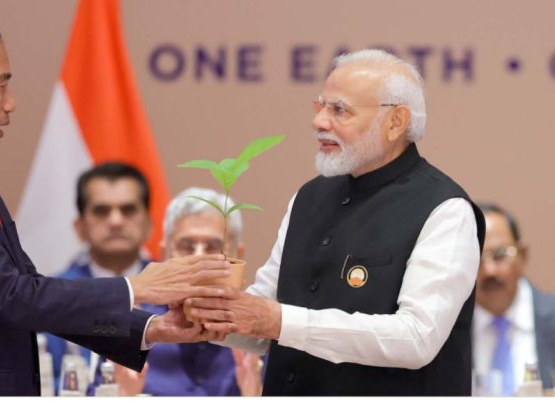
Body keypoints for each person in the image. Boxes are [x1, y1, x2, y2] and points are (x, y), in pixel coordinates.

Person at [0, 17, 230, 396]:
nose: (10, 103)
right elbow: (11, 297)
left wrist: (148, 329)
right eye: (0, 86)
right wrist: (137, 287)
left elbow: (30, 293)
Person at [188, 49, 486, 395]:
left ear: (395, 122)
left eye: (339, 110)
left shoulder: (445, 209)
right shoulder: (308, 197)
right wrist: (213, 317)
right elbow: (264, 320)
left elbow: (416, 338)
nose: (319, 122)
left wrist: (279, 321)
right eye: (321, 106)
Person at [112, 187, 263, 396]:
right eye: (187, 246)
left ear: (238, 255)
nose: (199, 258)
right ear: (164, 254)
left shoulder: (259, 331)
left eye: (212, 246)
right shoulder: (131, 328)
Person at [44, 162, 153, 393]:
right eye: (101, 211)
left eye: (128, 209)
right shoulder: (52, 295)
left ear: (148, 224)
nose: (115, 221)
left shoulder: (175, 295)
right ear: (80, 227)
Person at [472, 202, 555, 394]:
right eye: (476, 258)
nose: (489, 270)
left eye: (500, 254)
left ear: (523, 254)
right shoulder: (446, 335)